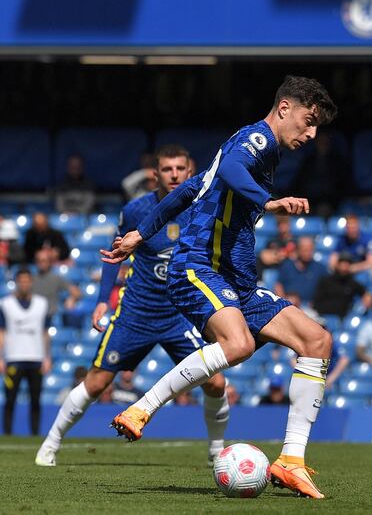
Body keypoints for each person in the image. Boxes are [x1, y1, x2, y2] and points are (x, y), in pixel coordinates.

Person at [101, 75, 337, 499]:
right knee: (239, 343)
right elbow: (229, 171)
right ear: (285, 108)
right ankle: (141, 408)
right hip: (198, 266)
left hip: (237, 280)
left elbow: (190, 189)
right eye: (309, 120)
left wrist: (141, 232)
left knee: (317, 341)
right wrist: (266, 201)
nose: (312, 133)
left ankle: (291, 461)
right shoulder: (257, 141)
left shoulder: (259, 153)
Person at [36, 144, 231, 468]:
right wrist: (101, 301)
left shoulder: (203, 209)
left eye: (179, 169)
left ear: (190, 170)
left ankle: (216, 451)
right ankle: (51, 443)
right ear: (155, 174)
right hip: (136, 314)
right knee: (97, 381)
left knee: (216, 381)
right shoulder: (136, 211)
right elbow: (115, 255)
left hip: (180, 315)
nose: (173, 175)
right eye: (167, 169)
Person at [0, 269, 51, 435]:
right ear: (16, 282)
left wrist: (47, 357)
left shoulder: (42, 303)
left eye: (27, 280)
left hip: (36, 357)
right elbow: (2, 332)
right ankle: (7, 434)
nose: (24, 284)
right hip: (14, 358)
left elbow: (45, 332)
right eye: (21, 280)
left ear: (31, 282)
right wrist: (1, 357)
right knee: (10, 400)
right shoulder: (5, 304)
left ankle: (35, 434)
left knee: (36, 400)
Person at [312, 253, 372, 318]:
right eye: (343, 263)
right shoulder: (326, 281)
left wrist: (367, 297)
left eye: (347, 264)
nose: (344, 267)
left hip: (343, 318)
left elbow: (365, 293)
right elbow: (317, 301)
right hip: (324, 316)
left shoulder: (352, 283)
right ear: (338, 265)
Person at [274, 236, 328, 305]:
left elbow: (327, 289)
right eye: (305, 250)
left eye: (310, 250)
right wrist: (284, 302)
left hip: (310, 308)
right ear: (298, 250)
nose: (308, 253)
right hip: (289, 305)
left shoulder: (320, 268)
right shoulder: (287, 266)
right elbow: (278, 286)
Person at [31, 248, 82, 317]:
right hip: (34, 316)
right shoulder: (30, 279)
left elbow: (77, 292)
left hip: (51, 316)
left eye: (44, 261)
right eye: (38, 261)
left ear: (49, 262)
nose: (41, 263)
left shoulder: (56, 278)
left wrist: (72, 299)